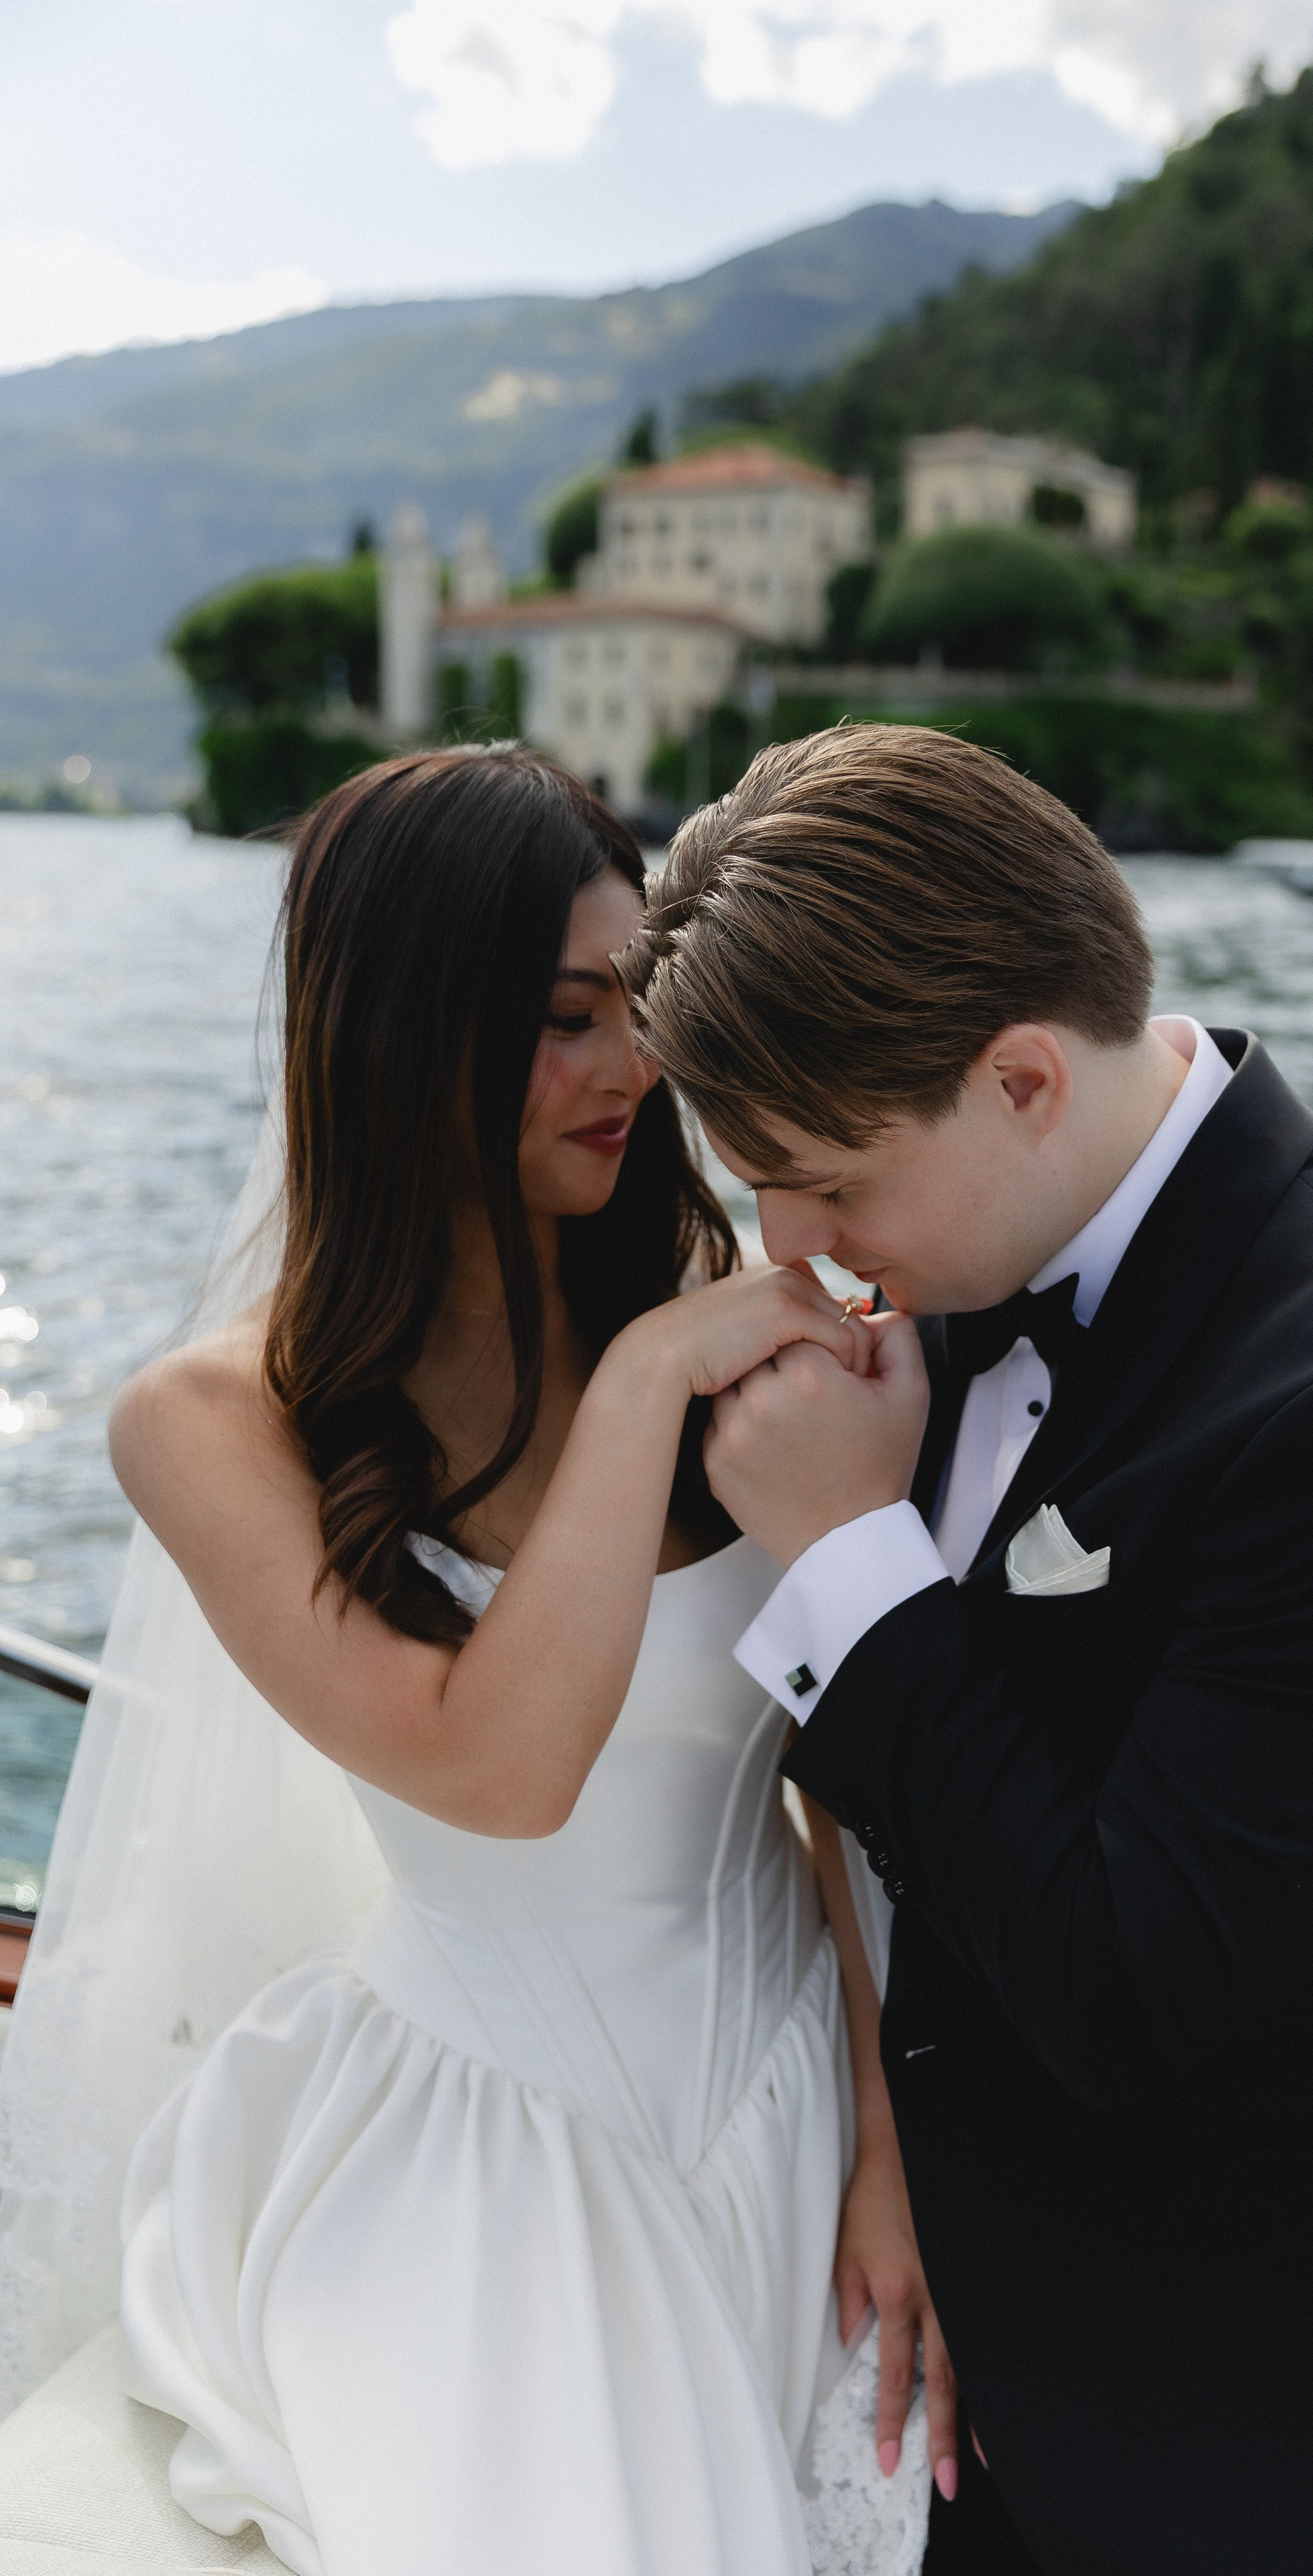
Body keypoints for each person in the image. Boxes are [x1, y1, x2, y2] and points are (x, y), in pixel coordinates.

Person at [626, 722, 1313, 2576]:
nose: (793, 1248)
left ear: (1026, 1078)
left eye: (822, 1178)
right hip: (1030, 2354)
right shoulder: (959, 1259)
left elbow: (1141, 1979)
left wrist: (854, 1559)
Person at [14, 746, 951, 2575]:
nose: (634, 1070)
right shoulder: (212, 1425)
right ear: (397, 1034)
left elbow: (842, 1792)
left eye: (638, 1010)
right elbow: (498, 1773)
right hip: (497, 2162)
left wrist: (894, 2155)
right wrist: (645, 1379)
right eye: (562, 1018)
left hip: (792, 2104)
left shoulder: (707, 1312)